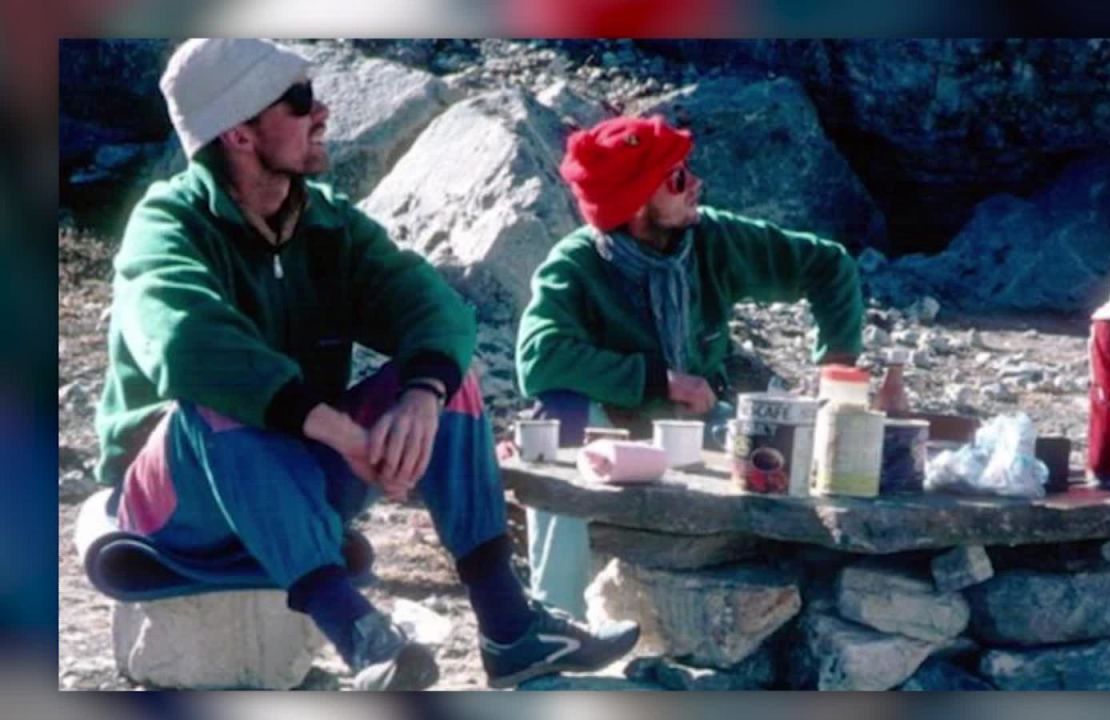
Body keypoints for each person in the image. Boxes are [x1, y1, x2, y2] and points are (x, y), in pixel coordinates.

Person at [94, 38, 638, 691]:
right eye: (298, 101)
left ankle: (510, 627)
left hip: (298, 477)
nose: (321, 112)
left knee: (447, 375)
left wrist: (421, 396)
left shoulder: (327, 224)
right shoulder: (169, 223)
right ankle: (360, 635)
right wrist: (331, 426)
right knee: (211, 393)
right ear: (238, 134)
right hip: (178, 503)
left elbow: (433, 307)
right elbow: (186, 341)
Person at [515, 115, 865, 618]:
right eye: (677, 178)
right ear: (634, 203)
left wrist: (836, 372)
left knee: (800, 449)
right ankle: (558, 620)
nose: (696, 184)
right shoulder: (575, 266)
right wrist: (661, 381)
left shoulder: (711, 238)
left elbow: (828, 266)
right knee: (558, 412)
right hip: (611, 434)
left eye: (688, 171)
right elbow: (539, 359)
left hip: (700, 422)